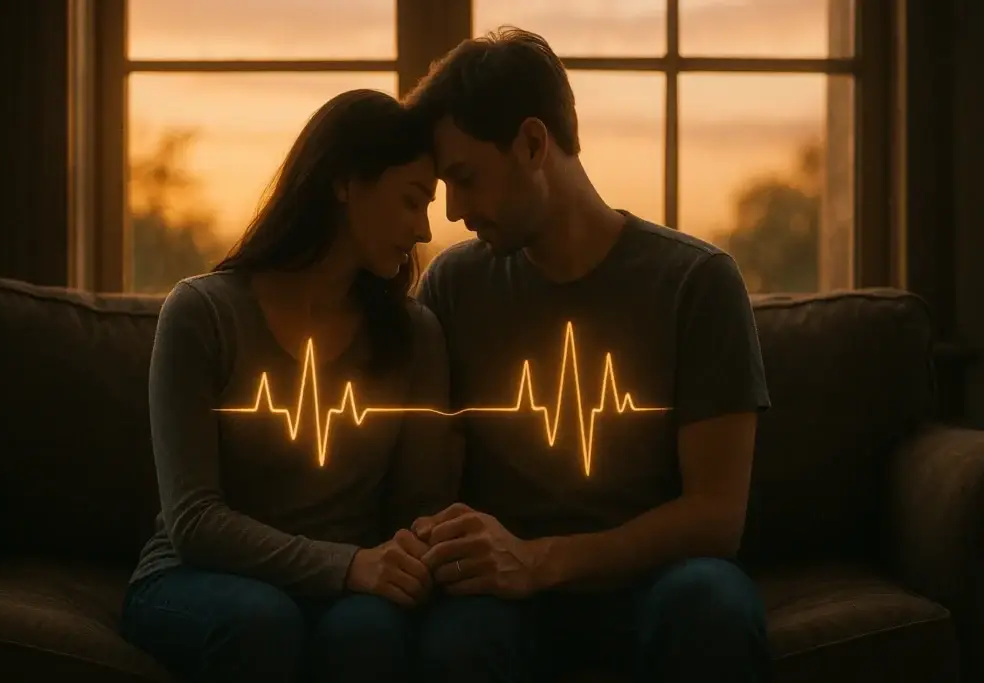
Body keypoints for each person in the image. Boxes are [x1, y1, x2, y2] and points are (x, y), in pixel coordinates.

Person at [403, 28, 773, 683]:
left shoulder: (698, 281)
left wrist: (542, 559)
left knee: (711, 605)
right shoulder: (454, 287)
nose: (453, 212)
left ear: (533, 143)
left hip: (655, 582)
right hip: (506, 597)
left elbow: (718, 517)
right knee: (456, 642)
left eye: (464, 179)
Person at [120, 89, 461, 683]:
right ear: (345, 182)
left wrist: (412, 554)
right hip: (200, 577)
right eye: (411, 201)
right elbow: (196, 520)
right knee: (261, 621)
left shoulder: (414, 336)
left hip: (353, 584)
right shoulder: (202, 313)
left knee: (369, 633)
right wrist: (347, 566)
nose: (423, 227)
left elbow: (418, 508)